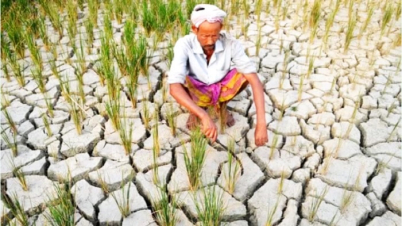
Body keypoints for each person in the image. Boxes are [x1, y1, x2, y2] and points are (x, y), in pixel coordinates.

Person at [168, 4, 268, 146]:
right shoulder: (184, 45)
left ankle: (221, 105)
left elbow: (255, 81)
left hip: (219, 87)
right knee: (178, 78)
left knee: (246, 74)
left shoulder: (231, 44)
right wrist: (203, 116)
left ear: (220, 29)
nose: (210, 41)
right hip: (196, 88)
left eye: (214, 35)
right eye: (204, 35)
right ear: (194, 29)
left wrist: (261, 124)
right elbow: (174, 88)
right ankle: (196, 109)